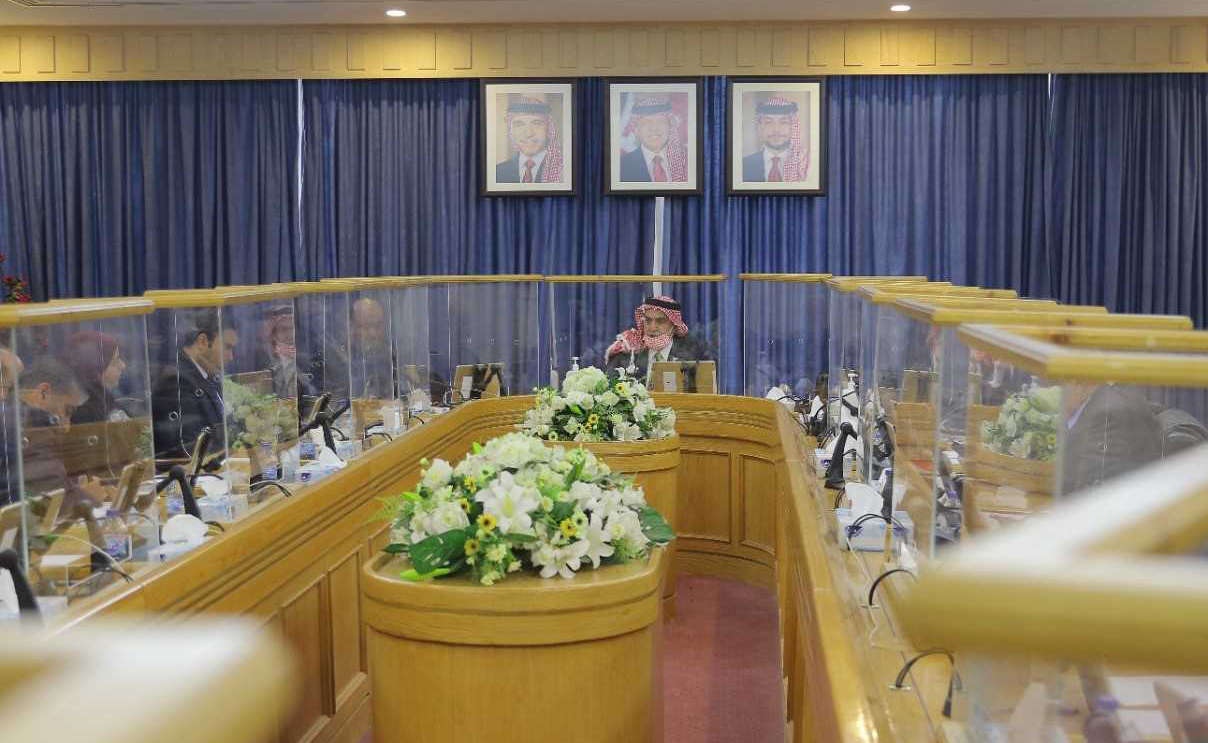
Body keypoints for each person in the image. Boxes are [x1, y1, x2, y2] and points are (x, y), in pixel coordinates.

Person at [150, 311, 235, 461]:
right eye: (227, 347)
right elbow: (191, 449)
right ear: (203, 341)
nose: (231, 357)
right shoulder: (175, 382)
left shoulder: (207, 377)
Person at [1059, 382, 1163, 496]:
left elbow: (1093, 484)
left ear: (1077, 385)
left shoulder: (1106, 414)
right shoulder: (1105, 400)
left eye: (1058, 387)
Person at [603, 296, 711, 383]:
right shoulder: (628, 348)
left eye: (660, 321)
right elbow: (609, 386)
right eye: (648, 320)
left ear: (674, 325)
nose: (653, 327)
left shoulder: (692, 350)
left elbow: (703, 390)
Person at [60, 331, 131, 424]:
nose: (123, 365)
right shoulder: (84, 416)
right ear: (94, 370)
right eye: (114, 362)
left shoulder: (105, 400)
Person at [495, 96, 564, 185]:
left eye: (537, 124)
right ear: (511, 130)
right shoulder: (498, 172)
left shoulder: (563, 171)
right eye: (519, 125)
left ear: (549, 129)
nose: (528, 134)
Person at [619, 96, 688, 183]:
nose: (654, 128)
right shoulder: (621, 167)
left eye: (660, 122)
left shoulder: (687, 162)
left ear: (670, 126)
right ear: (636, 129)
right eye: (647, 122)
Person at [742, 96, 808, 183]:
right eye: (768, 122)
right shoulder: (743, 165)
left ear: (793, 127)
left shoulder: (805, 166)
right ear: (760, 128)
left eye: (783, 122)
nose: (776, 129)